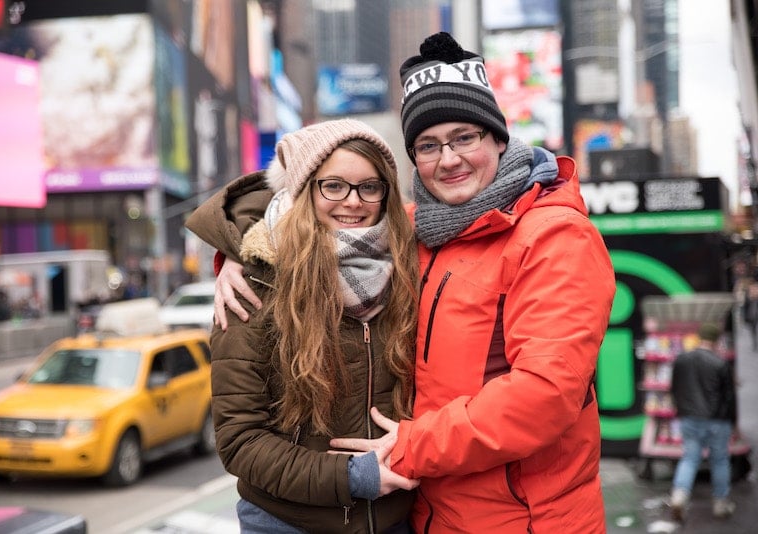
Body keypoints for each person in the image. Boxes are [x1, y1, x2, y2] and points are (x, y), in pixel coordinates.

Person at [211, 32, 616, 532]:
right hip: (429, 513)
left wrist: (410, 449)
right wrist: (241, 247)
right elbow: (317, 200)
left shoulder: (553, 236)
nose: (448, 159)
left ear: (498, 138)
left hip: (523, 518)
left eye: (464, 137)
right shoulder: (420, 232)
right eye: (428, 145)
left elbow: (545, 396)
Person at [184, 118, 421, 533]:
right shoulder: (255, 283)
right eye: (334, 185)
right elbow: (240, 441)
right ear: (305, 188)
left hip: (394, 519)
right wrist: (353, 477)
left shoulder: (408, 266)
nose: (353, 201)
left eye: (370, 186)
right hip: (288, 523)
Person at [668, 322, 737, 521]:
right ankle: (721, 503)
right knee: (720, 460)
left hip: (689, 417)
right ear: (716, 341)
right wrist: (733, 422)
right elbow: (729, 397)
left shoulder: (681, 360)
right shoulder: (720, 363)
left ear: (699, 338)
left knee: (689, 458)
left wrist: (681, 411)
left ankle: (679, 496)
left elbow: (674, 389)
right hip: (717, 420)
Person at [741, 281, 758, 350]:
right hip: (752, 316)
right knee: (752, 330)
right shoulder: (748, 298)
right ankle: (754, 343)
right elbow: (744, 308)